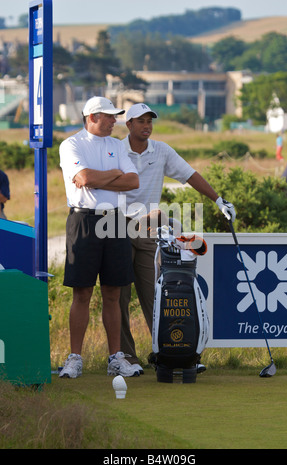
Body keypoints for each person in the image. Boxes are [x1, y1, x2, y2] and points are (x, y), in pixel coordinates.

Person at [119, 103, 236, 374]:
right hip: (116, 227)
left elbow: (190, 175)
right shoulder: (115, 150)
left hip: (148, 231)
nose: (146, 126)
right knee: (120, 297)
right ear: (129, 125)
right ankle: (126, 357)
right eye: (141, 121)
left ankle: (172, 353)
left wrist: (218, 199)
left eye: (150, 121)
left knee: (158, 295)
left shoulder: (161, 150)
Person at [59, 96, 140, 379]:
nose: (114, 120)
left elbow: (133, 181)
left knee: (113, 292)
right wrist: (113, 174)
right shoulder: (71, 144)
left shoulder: (117, 145)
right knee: (81, 291)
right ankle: (75, 357)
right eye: (109, 116)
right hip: (84, 219)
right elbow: (83, 177)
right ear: (92, 116)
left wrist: (100, 177)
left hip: (115, 220)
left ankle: (116, 358)